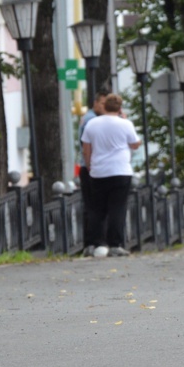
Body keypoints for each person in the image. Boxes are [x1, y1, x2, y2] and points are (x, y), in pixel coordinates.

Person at [80, 93, 141, 258]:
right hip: (120, 171)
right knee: (117, 208)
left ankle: (95, 243)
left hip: (99, 171)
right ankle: (115, 244)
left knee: (96, 209)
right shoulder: (125, 124)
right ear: (120, 108)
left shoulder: (91, 124)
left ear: (104, 106)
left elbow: (86, 149)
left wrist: (90, 166)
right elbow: (135, 144)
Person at [77, 90, 108, 256]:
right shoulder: (91, 120)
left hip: (92, 166)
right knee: (93, 207)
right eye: (102, 104)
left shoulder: (92, 118)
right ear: (95, 103)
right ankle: (93, 242)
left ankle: (95, 242)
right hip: (91, 168)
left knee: (94, 206)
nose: (104, 108)